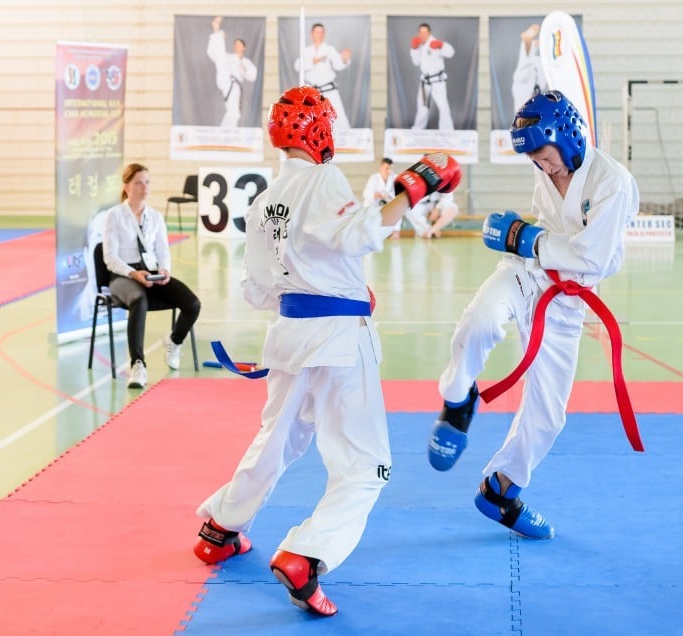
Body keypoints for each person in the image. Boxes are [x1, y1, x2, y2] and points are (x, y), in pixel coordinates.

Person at [192, 86, 461, 616]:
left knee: (277, 442)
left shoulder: (265, 201)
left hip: (289, 335)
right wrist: (416, 187)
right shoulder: (322, 179)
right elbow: (359, 233)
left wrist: (339, 287)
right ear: (320, 132)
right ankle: (306, 555)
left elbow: (258, 290)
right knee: (366, 466)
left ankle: (220, 526)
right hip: (338, 341)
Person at [427, 91, 640, 540]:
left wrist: (526, 238)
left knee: (548, 417)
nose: (543, 167)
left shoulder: (611, 183)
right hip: (528, 275)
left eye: (544, 156)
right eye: (535, 160)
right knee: (481, 318)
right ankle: (458, 398)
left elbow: (594, 259)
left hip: (568, 297)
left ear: (565, 136)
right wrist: (519, 242)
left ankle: (501, 490)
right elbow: (544, 233)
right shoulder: (547, 173)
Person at [102, 163, 202, 390]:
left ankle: (175, 341)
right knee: (139, 300)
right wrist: (133, 273)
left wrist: (165, 270)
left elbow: (163, 251)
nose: (144, 187)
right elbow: (109, 257)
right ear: (126, 186)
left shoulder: (155, 217)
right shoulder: (114, 216)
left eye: (147, 182)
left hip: (152, 273)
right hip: (123, 276)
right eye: (138, 182)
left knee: (192, 303)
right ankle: (138, 364)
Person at [295, 23, 352, 133]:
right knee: (307, 118)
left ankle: (347, 142)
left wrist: (344, 59)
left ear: (324, 34)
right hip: (311, 91)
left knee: (338, 115)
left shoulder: (329, 49)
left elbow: (338, 64)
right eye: (317, 32)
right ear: (312, 34)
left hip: (328, 89)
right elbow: (297, 66)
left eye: (321, 32)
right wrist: (313, 61)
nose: (319, 35)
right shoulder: (306, 50)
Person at [207, 16, 258, 128]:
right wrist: (219, 38)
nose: (236, 46)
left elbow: (252, 76)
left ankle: (226, 132)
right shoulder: (229, 57)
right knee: (220, 55)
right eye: (235, 44)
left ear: (244, 47)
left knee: (234, 113)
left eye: (239, 44)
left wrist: (241, 64)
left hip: (235, 86)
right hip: (224, 78)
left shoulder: (246, 62)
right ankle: (216, 29)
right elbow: (213, 54)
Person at [409, 23, 455, 130]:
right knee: (422, 108)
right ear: (418, 33)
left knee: (443, 107)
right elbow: (416, 62)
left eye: (425, 32)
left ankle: (447, 131)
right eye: (420, 32)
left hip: (437, 81)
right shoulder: (419, 45)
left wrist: (442, 45)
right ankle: (418, 130)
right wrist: (414, 49)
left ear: (429, 33)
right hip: (425, 82)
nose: (423, 35)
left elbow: (451, 53)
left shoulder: (435, 43)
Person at [511, 23, 546, 117]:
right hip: (525, 85)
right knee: (525, 62)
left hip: (533, 86)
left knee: (528, 60)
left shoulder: (539, 60)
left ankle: (527, 41)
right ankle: (526, 40)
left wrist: (544, 39)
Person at [363, 158, 398, 236]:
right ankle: (367, 230)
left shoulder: (395, 177)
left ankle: (395, 231)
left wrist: (389, 195)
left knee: (399, 207)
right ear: (381, 168)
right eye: (387, 168)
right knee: (366, 204)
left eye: (390, 169)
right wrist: (374, 195)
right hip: (375, 204)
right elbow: (366, 194)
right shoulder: (373, 178)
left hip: (389, 204)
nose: (389, 171)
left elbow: (397, 193)